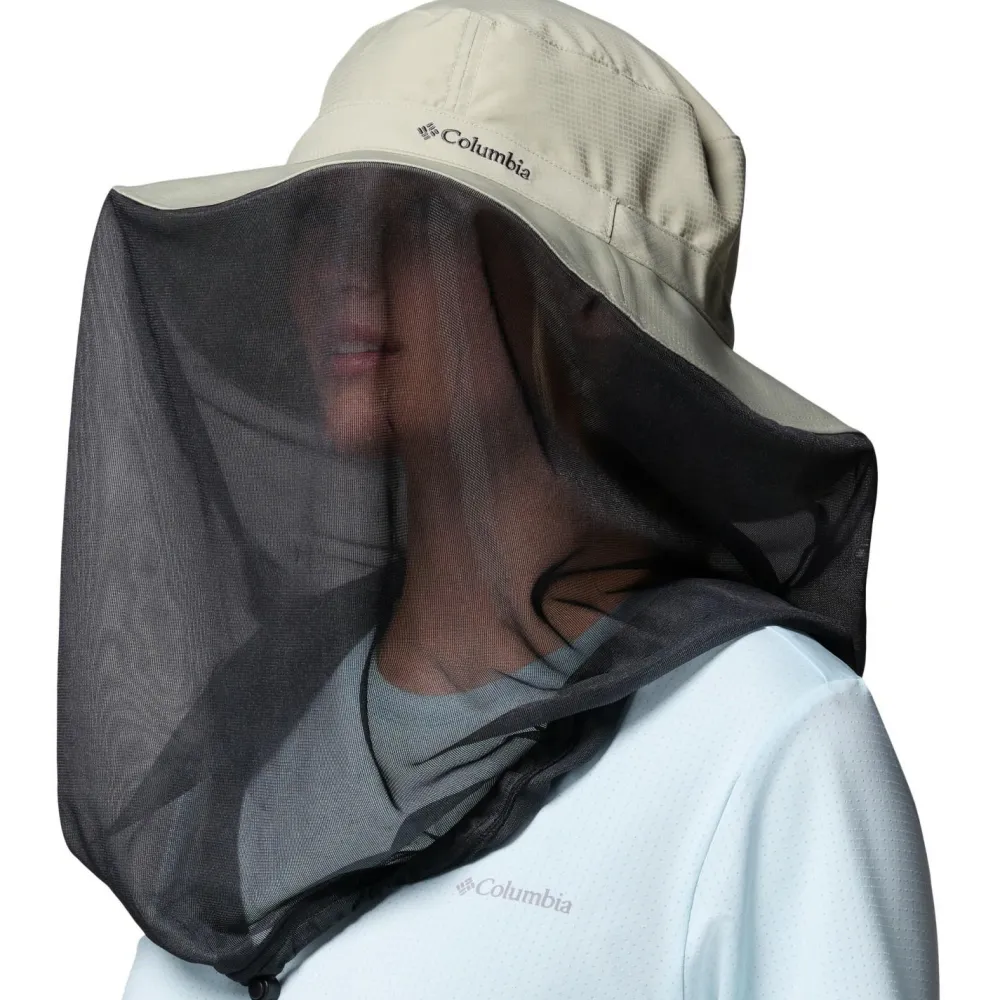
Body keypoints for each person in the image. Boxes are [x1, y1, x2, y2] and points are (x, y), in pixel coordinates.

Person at [57, 2, 938, 998]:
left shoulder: (767, 736)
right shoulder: (262, 728)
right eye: (324, 218)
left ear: (591, 301)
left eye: (419, 219)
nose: (347, 268)